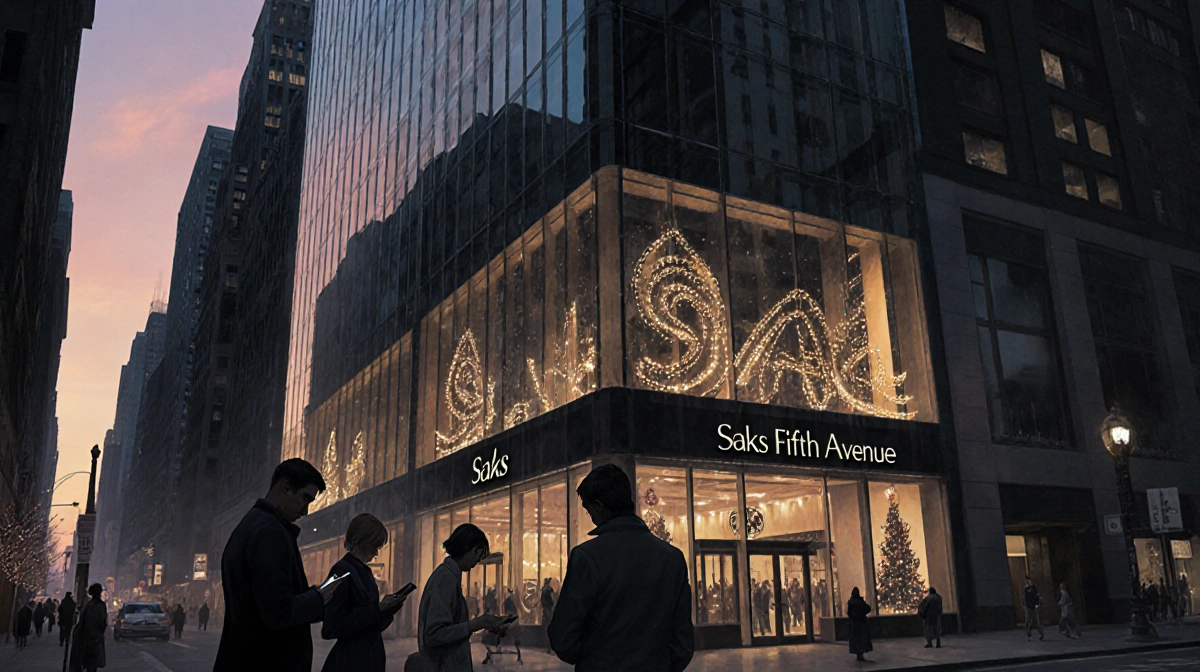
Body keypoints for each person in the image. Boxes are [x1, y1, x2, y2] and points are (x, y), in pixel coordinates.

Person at [547, 464, 694, 672]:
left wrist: (594, 659)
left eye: (589, 511)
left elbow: (563, 639)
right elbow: (683, 645)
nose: (591, 518)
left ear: (599, 506)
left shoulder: (587, 557)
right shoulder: (673, 559)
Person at [213, 459, 340, 671]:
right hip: (265, 661)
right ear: (286, 487)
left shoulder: (252, 524)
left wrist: (315, 597)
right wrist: (318, 597)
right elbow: (278, 612)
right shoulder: (269, 533)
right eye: (305, 498)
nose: (306, 511)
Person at [412, 523, 507, 671]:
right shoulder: (446, 579)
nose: (477, 561)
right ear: (469, 548)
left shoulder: (447, 576)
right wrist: (474, 624)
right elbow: (434, 634)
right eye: (478, 553)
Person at [321, 513, 409, 672]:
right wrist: (378, 609)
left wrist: (387, 610)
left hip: (365, 659)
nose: (376, 553)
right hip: (351, 662)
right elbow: (331, 626)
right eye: (374, 546)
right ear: (360, 541)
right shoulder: (342, 570)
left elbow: (369, 625)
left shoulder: (363, 572)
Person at [71, 583, 107, 672]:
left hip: (85, 637)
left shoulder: (88, 604)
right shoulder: (99, 605)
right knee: (92, 663)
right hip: (94, 638)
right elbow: (102, 622)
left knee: (87, 662)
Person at [847, 587, 872, 662]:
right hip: (860, 623)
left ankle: (859, 654)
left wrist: (853, 616)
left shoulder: (851, 602)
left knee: (857, 639)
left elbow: (849, 612)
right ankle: (860, 654)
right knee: (861, 639)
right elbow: (868, 608)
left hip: (855, 623)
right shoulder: (860, 601)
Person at [1023, 576, 1044, 641]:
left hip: (1035, 606)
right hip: (1029, 606)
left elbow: (1038, 596)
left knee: (1038, 621)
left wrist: (1039, 602)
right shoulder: (1026, 589)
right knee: (1029, 621)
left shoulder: (1035, 589)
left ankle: (1041, 634)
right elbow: (1025, 598)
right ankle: (1029, 634)